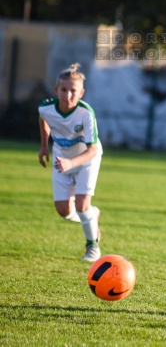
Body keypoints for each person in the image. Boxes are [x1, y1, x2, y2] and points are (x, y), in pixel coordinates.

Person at [38, 63, 103, 262]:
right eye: (64, 90)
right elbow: (43, 119)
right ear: (57, 90)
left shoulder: (85, 114)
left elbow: (92, 149)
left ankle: (92, 247)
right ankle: (92, 216)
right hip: (61, 158)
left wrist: (71, 163)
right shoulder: (45, 108)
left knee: (82, 205)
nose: (68, 95)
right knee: (63, 211)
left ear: (81, 93)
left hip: (86, 159)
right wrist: (44, 146)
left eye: (73, 91)